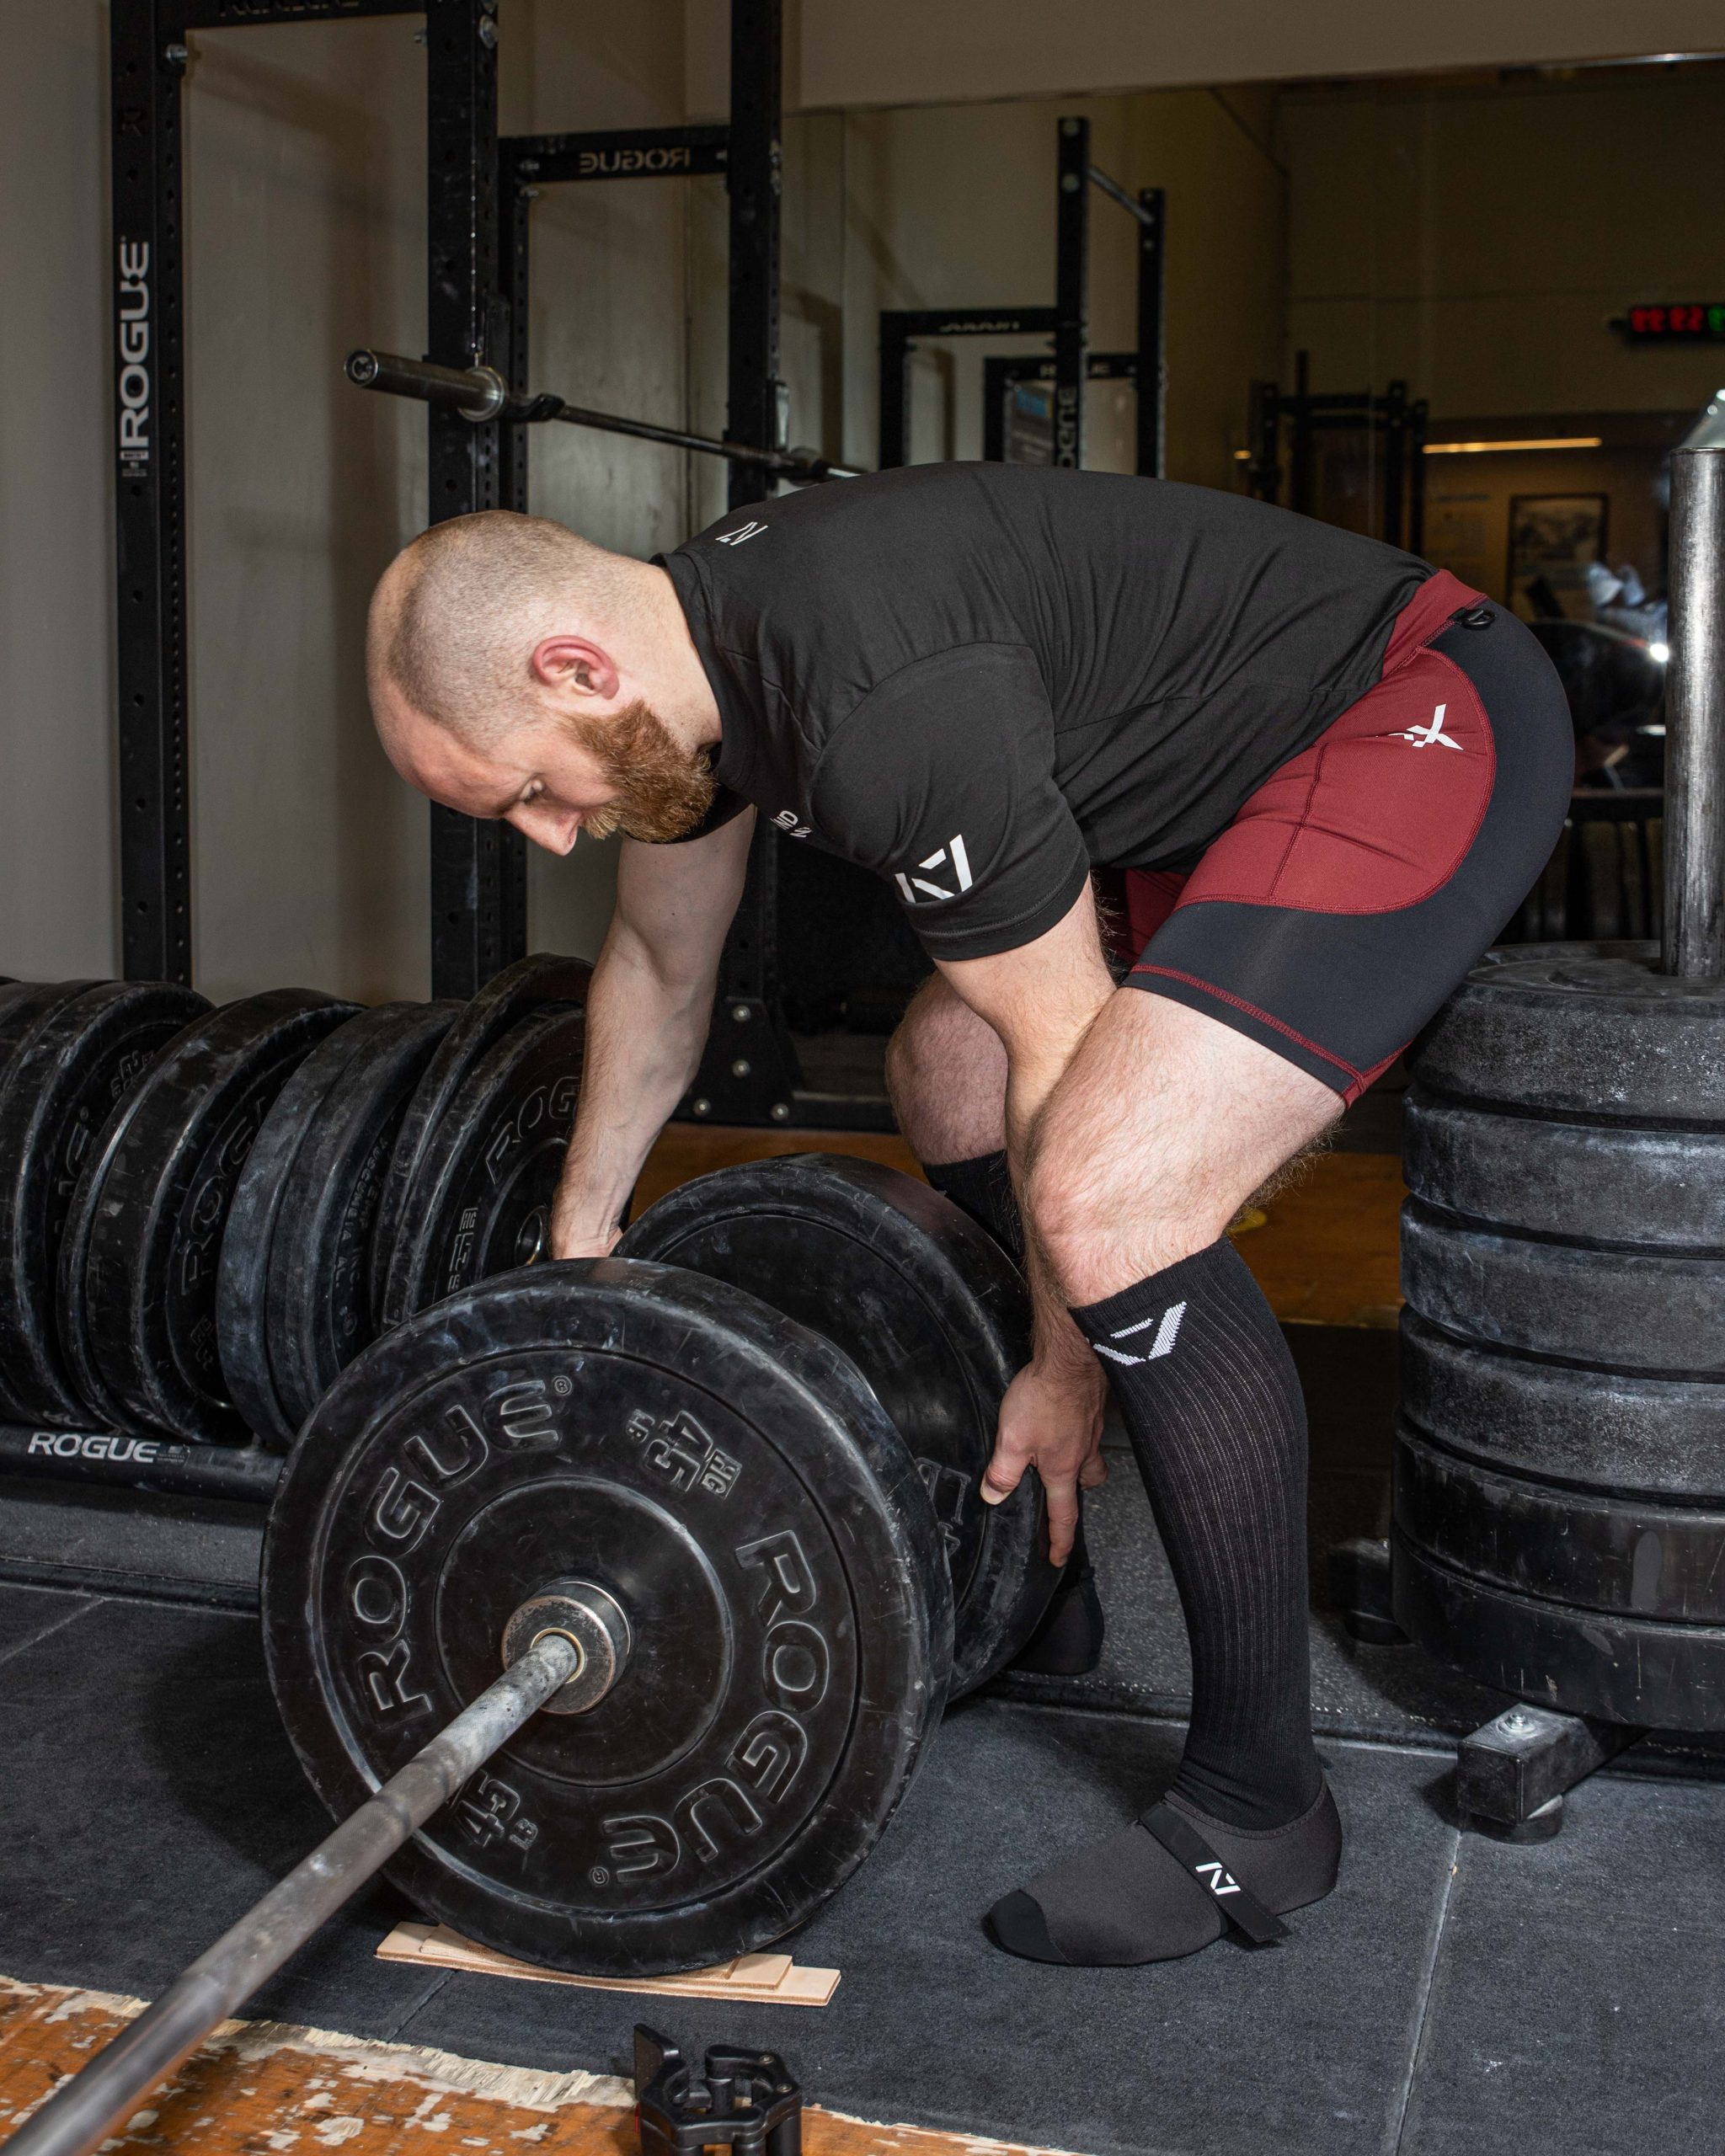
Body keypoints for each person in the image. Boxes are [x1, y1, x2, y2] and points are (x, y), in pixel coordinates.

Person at [365, 463, 1573, 1970]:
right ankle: (1033, 1563)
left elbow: (1064, 1057)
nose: (550, 834)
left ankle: (1264, 1808)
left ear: (574, 669)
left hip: (1407, 713)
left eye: (533, 790)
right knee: (943, 1065)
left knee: (1112, 1197)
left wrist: (1069, 1374)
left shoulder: (873, 691)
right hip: (1212, 780)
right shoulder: (692, 679)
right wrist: (578, 1268)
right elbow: (664, 973)